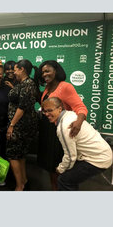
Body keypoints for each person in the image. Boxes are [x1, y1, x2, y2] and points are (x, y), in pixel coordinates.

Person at [37, 60, 88, 190]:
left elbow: (81, 107)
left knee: (63, 169)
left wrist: (78, 122)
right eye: (43, 72)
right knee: (51, 168)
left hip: (60, 134)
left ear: (56, 71)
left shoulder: (65, 86)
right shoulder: (47, 88)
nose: (44, 74)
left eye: (47, 71)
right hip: (48, 132)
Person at [41, 97, 112, 190]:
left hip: (98, 159)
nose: (47, 114)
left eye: (50, 110)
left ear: (59, 109)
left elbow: (71, 156)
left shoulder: (64, 127)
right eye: (44, 111)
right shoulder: (69, 114)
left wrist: (60, 169)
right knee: (70, 177)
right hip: (102, 152)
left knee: (64, 180)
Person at [6, 59, 40, 191]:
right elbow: (22, 98)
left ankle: (19, 186)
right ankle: (23, 180)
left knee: (13, 154)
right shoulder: (24, 84)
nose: (13, 72)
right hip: (23, 125)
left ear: (22, 70)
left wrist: (12, 125)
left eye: (15, 69)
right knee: (20, 154)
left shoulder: (28, 84)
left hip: (20, 126)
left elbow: (22, 107)